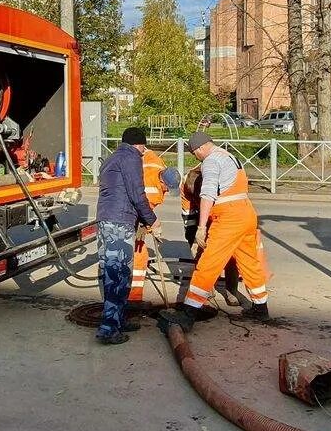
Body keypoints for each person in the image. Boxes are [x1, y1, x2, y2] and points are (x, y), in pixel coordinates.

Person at [160, 131, 270, 333]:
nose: (196, 159)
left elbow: (208, 193)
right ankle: (261, 308)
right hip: (246, 213)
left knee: (208, 263)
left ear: (200, 149)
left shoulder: (210, 161)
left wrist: (201, 228)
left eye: (195, 154)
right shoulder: (230, 156)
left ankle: (188, 313)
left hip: (229, 219)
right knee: (249, 262)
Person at [94, 126, 160, 345]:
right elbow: (137, 194)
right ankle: (109, 329)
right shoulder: (131, 158)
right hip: (119, 223)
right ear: (138, 144)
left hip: (106, 220)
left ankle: (118, 320)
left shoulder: (112, 157)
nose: (144, 151)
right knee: (118, 274)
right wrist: (152, 220)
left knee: (112, 272)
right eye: (144, 147)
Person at [180, 164, 242, 304]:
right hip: (203, 217)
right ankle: (206, 289)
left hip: (226, 215)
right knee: (202, 254)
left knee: (231, 255)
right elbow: (188, 214)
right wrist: (192, 239)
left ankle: (231, 291)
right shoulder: (185, 186)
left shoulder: (220, 180)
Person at [130, 146, 181, 306]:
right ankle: (133, 298)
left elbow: (147, 152)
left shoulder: (157, 163)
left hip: (131, 204)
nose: (167, 191)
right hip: (129, 214)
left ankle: (132, 295)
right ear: (162, 181)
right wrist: (152, 226)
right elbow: (144, 212)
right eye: (167, 188)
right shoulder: (152, 191)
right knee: (140, 255)